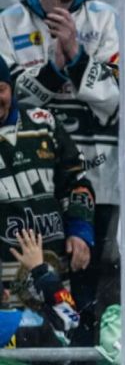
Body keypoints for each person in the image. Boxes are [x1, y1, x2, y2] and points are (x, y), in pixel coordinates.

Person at [0, 0, 119, 308]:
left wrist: (77, 56)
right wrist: (53, 70)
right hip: (26, 180)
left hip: (97, 175)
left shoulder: (105, 17)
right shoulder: (9, 21)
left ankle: (78, 343)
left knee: (86, 286)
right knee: (25, 288)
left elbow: (116, 98)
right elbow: (9, 97)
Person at [0, 56, 94, 324]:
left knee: (62, 332)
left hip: (55, 268)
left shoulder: (44, 122)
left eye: (0, 89)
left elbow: (77, 180)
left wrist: (80, 231)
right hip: (4, 283)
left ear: (11, 88)